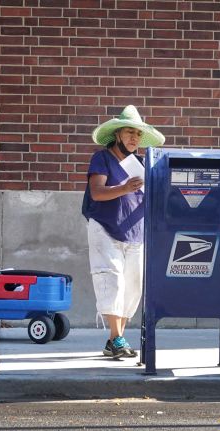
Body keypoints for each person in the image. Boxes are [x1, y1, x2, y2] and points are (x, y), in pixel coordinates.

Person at [85, 105, 165, 358]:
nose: (134, 138)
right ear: (117, 134)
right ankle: (116, 338)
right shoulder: (102, 158)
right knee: (111, 278)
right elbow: (97, 192)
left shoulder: (142, 164)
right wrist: (125, 188)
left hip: (136, 232)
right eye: (129, 132)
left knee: (132, 285)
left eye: (138, 134)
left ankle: (115, 340)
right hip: (104, 227)